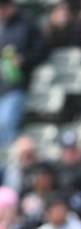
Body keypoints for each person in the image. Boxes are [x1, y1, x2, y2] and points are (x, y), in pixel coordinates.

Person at [0, 0, 47, 146]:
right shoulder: (3, 27)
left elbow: (42, 52)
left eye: (2, 8)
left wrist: (23, 59)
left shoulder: (27, 24)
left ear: (10, 6)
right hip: (3, 84)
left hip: (16, 85)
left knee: (6, 125)